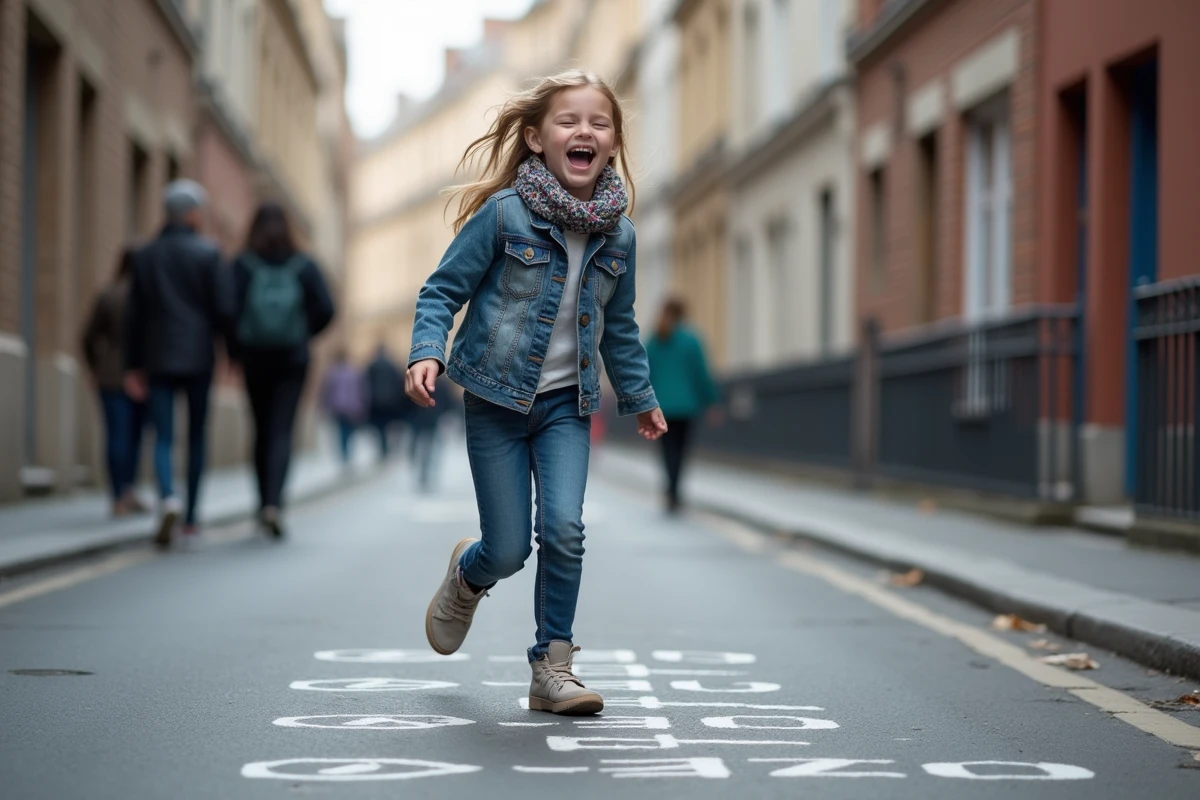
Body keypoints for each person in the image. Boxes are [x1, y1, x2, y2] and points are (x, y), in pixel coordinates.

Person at [406, 70, 667, 716]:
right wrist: (427, 350)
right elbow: (442, 290)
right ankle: (468, 575)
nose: (585, 131)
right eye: (568, 121)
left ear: (613, 143)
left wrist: (640, 396)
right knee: (508, 549)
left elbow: (620, 327)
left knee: (565, 529)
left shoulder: (621, 237)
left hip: (565, 408)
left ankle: (553, 666)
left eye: (599, 123)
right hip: (495, 401)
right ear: (535, 138)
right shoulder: (505, 215)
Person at [225, 202, 335, 539]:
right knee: (282, 430)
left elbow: (227, 310)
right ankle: (275, 504)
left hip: (254, 359)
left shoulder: (242, 264)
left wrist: (236, 352)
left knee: (260, 430)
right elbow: (327, 309)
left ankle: (262, 504)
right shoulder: (304, 265)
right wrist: (303, 333)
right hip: (292, 360)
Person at [125, 179, 223, 547]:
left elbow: (134, 315)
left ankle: (168, 497)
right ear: (193, 213)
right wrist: (229, 351)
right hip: (198, 357)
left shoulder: (145, 255)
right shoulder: (209, 254)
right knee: (196, 436)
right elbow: (222, 309)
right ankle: (191, 519)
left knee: (162, 435)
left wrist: (133, 365)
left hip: (158, 356)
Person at [82, 246, 148, 517]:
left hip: (109, 375)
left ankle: (119, 494)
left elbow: (88, 336)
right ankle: (127, 490)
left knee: (116, 435)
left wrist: (95, 367)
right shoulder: (146, 296)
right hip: (142, 378)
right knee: (134, 437)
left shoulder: (108, 294)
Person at [644, 297, 721, 514]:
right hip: (687, 406)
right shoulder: (692, 340)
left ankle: (670, 490)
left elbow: (645, 373)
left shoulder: (654, 340)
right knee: (681, 450)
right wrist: (712, 401)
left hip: (660, 406)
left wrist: (643, 404)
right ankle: (675, 492)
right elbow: (701, 374)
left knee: (667, 449)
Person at [319, 350, 367, 466]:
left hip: (338, 406)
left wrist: (325, 405)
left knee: (342, 430)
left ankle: (344, 453)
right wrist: (362, 404)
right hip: (352, 406)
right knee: (349, 430)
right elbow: (361, 390)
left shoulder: (332, 373)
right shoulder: (354, 372)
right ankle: (347, 452)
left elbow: (327, 391)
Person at [365, 344, 405, 460]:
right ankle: (389, 446)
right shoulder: (392, 366)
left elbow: (367, 384)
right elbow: (398, 383)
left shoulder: (372, 366)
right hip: (390, 401)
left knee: (379, 426)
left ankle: (383, 447)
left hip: (376, 402)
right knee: (390, 426)